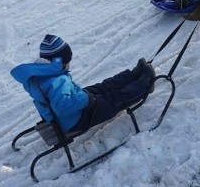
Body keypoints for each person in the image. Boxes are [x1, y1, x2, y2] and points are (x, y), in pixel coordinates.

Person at [11, 35, 156, 136]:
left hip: (68, 112)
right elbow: (63, 106)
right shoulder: (57, 80)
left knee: (103, 87)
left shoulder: (40, 74)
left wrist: (83, 96)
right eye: (68, 61)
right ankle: (144, 85)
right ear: (60, 62)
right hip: (76, 119)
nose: (69, 64)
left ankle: (132, 75)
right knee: (113, 100)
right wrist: (86, 99)